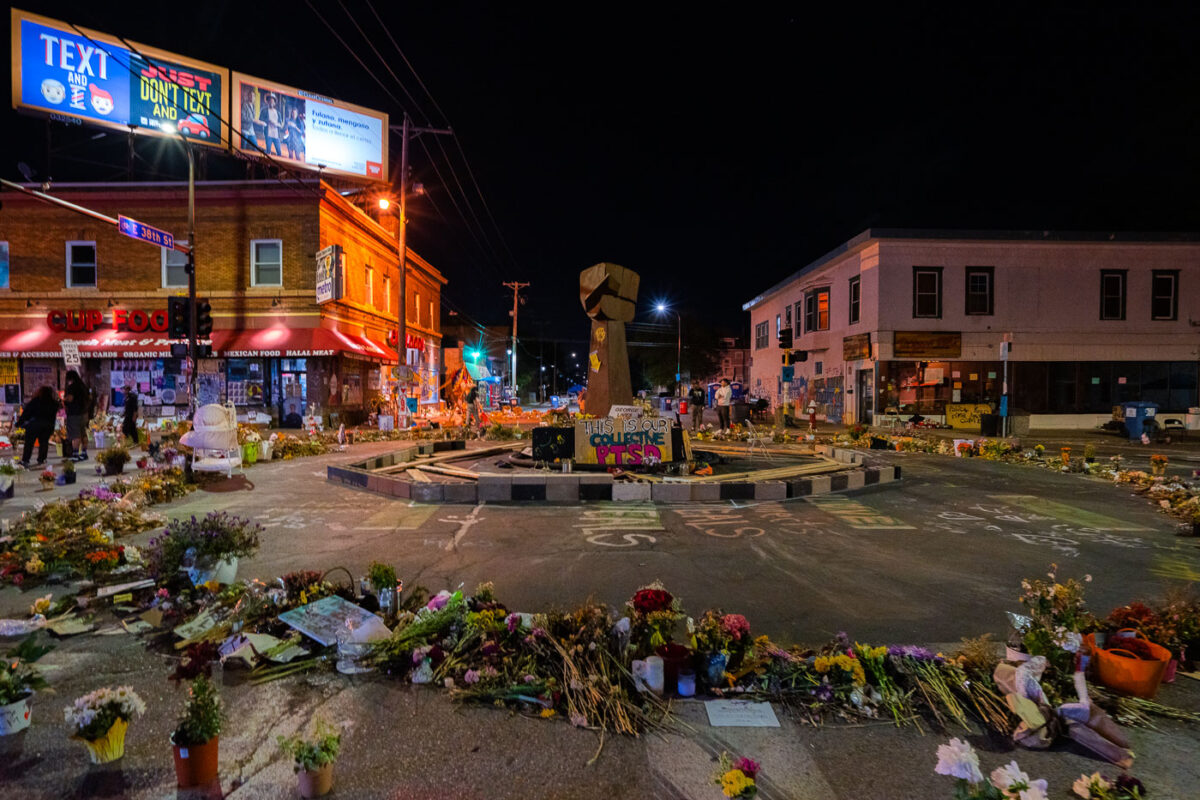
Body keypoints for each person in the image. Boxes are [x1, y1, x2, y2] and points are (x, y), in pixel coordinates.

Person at [16, 385, 61, 468]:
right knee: (44, 442)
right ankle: (42, 459)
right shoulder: (53, 403)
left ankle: (26, 460)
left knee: (29, 443)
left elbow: (27, 412)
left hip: (35, 425)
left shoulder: (36, 401)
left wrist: (19, 423)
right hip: (48, 425)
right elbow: (57, 407)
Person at [63, 370, 90, 461]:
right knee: (83, 433)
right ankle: (84, 453)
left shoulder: (72, 387)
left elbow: (70, 399)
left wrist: (63, 399)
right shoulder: (83, 386)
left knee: (75, 435)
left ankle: (75, 454)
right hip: (84, 413)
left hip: (74, 414)